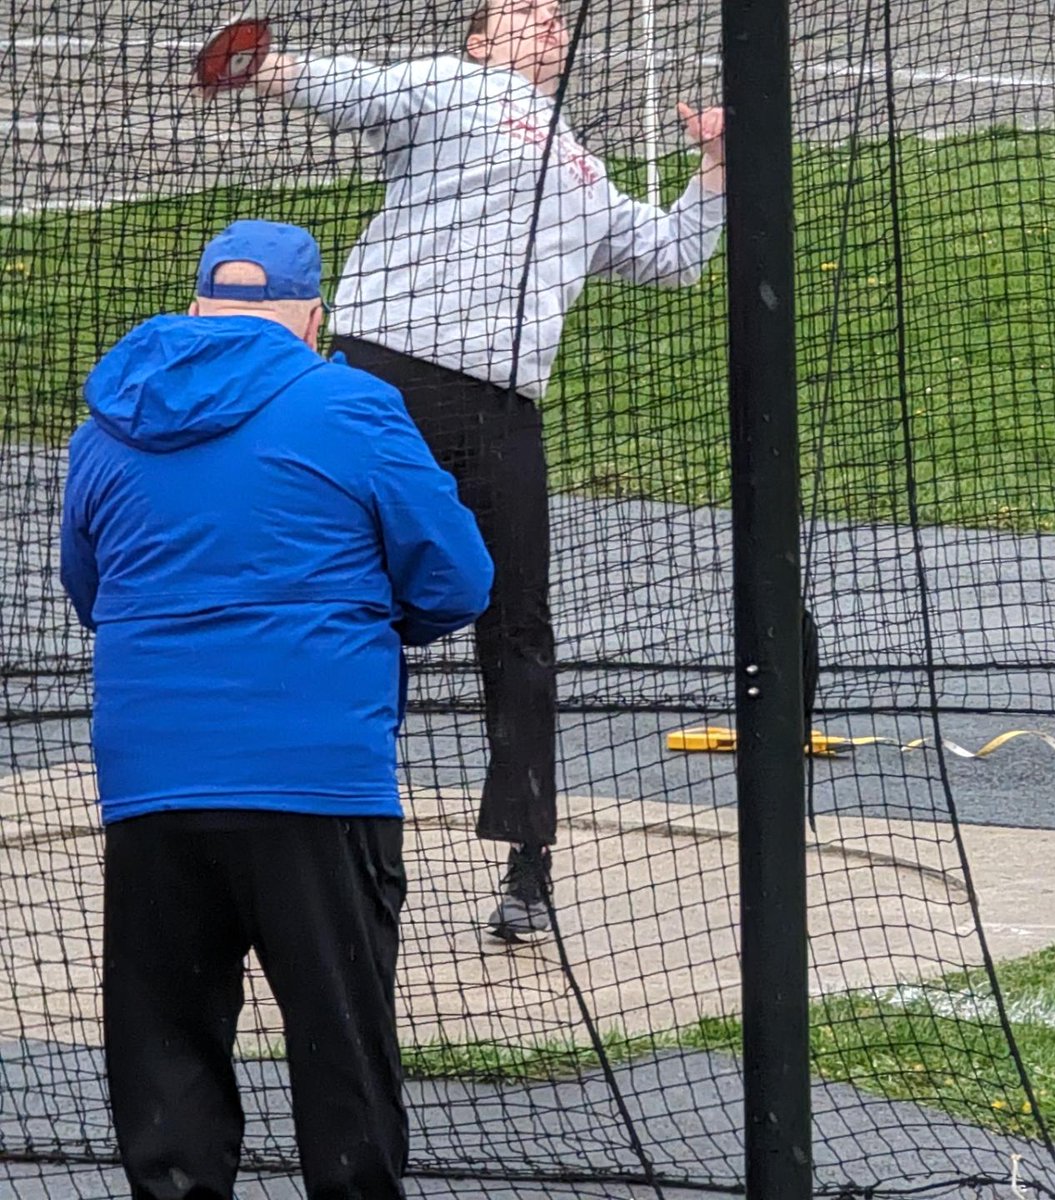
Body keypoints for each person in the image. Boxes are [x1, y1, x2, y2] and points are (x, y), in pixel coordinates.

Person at [204, 0, 727, 941]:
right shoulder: (455, 87)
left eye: (557, 16)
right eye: (522, 11)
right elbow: (353, 89)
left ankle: (529, 867)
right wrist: (263, 67)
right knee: (342, 599)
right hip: (386, 380)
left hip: (501, 410)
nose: (548, 23)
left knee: (519, 623)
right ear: (480, 40)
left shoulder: (583, 166)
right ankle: (315, 821)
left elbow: (674, 255)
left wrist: (717, 168)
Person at [59, 219, 493, 1200]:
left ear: (199, 303)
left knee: (166, 1042)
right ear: (311, 315)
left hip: (154, 782)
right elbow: (459, 578)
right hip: (316, 776)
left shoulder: (109, 420)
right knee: (341, 1047)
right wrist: (372, 626)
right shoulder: (350, 403)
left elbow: (92, 593)